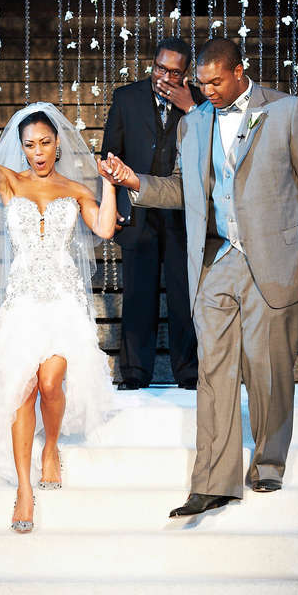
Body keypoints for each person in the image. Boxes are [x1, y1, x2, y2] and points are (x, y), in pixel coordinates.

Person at [101, 37, 298, 517]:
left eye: (214, 82)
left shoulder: (287, 111)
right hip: (219, 259)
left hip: (278, 258)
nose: (206, 90)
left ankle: (269, 463)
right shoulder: (193, 125)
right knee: (213, 370)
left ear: (239, 71)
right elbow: (183, 191)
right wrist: (135, 183)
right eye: (202, 83)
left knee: (268, 368)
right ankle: (213, 480)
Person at [0, 69, 118, 533]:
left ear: (57, 142)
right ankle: (24, 489)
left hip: (62, 299)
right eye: (30, 145)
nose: (38, 152)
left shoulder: (76, 189)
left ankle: (52, 445)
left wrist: (111, 184)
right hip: (22, 302)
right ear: (23, 147)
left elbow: (102, 229)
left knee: (52, 379)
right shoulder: (11, 184)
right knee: (24, 387)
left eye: (44, 143)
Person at [101, 37, 204, 390]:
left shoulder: (201, 104)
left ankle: (188, 371)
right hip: (137, 210)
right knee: (138, 294)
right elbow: (109, 154)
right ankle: (134, 372)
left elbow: (214, 149)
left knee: (183, 293)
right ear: (153, 64)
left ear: (186, 74)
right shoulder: (126, 98)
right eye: (160, 67)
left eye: (174, 72)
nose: (164, 75)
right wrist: (113, 204)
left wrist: (191, 107)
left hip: (182, 213)